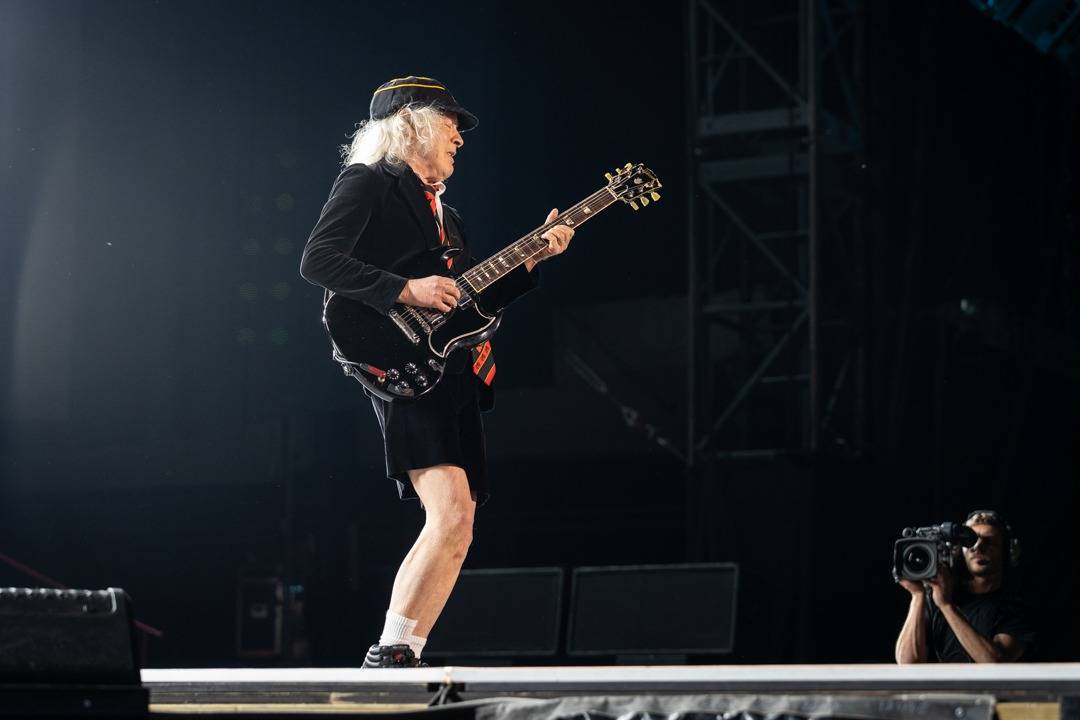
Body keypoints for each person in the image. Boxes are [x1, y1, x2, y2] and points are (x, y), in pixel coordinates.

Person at [299, 76, 574, 668]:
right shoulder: (368, 181)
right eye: (450, 123)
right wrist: (406, 288)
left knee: (460, 522)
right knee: (449, 513)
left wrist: (535, 258)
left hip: (451, 370)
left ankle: (402, 651)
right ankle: (389, 653)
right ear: (412, 123)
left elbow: (470, 303)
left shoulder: (449, 217)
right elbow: (317, 260)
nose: (460, 137)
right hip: (401, 364)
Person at [894, 509, 1035, 663]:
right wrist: (918, 595)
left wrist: (946, 606)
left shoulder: (1015, 607)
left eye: (989, 541)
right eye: (970, 541)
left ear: (1007, 551)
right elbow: (908, 663)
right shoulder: (937, 597)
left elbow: (995, 663)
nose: (977, 547)